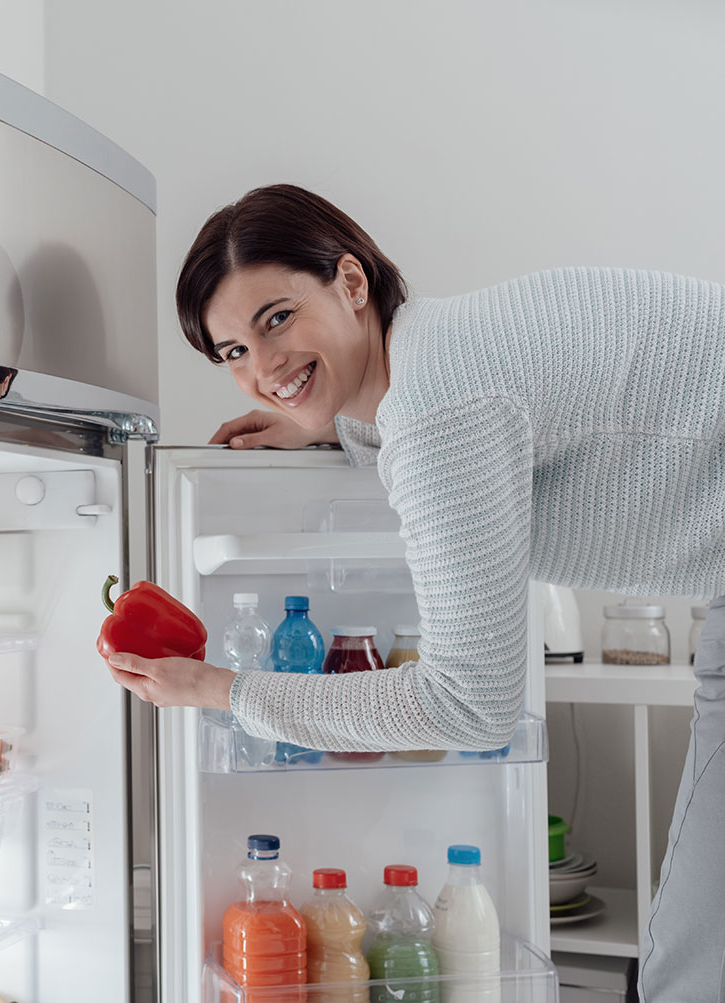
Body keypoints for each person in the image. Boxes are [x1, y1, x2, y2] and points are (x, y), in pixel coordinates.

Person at [101, 184, 725, 1001]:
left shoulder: (437, 406)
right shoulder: (434, 363)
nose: (262, 369)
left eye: (278, 320)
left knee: (698, 959)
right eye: (233, 353)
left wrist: (224, 690)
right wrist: (329, 415)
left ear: (352, 284)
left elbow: (469, 706)